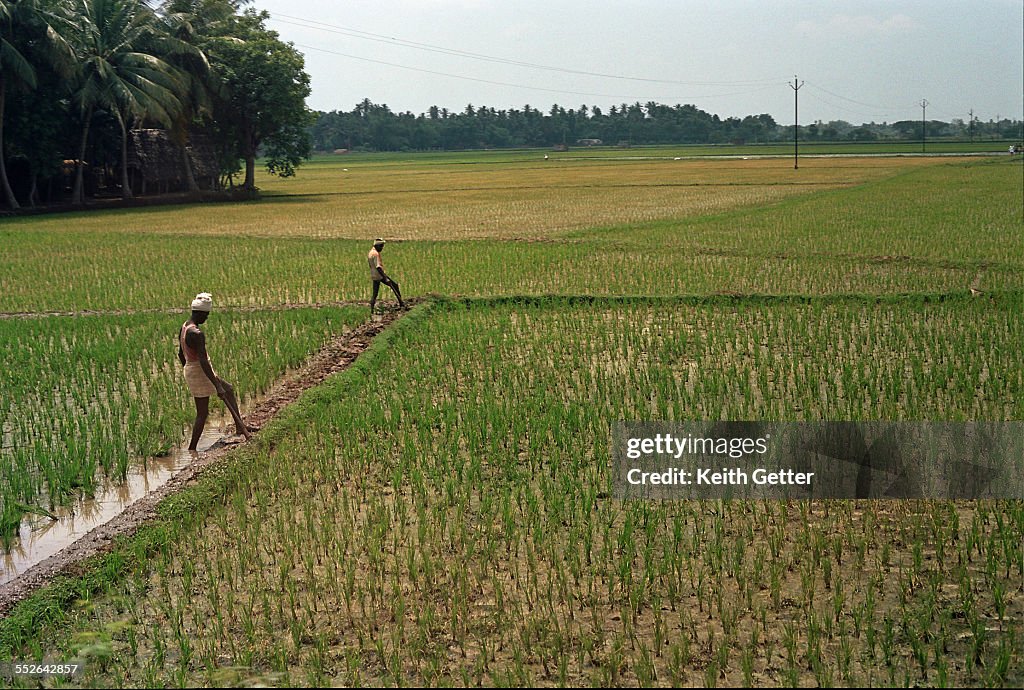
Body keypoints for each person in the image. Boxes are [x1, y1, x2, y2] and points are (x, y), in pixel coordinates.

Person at [177, 292, 252, 450]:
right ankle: (192, 448)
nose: (207, 318)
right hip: (199, 371)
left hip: (194, 369)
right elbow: (203, 361)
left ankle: (240, 427)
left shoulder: (185, 327)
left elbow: (180, 354)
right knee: (202, 413)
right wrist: (217, 386)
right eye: (207, 314)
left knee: (229, 389)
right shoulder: (197, 334)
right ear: (201, 313)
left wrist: (187, 367)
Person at [368, 238, 405, 312]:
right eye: (381, 246)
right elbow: (378, 267)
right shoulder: (375, 254)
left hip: (374, 274)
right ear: (377, 246)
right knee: (394, 285)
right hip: (379, 275)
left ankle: (371, 310)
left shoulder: (371, 252)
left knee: (375, 293)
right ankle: (401, 304)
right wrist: (385, 278)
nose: (382, 248)